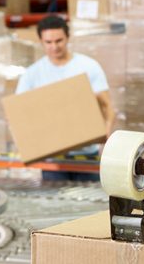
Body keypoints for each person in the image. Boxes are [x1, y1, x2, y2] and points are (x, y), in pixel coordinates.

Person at [16, 14, 115, 182]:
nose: (54, 47)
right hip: (52, 156)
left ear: (68, 38)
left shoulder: (88, 67)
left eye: (59, 41)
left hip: (86, 155)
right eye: (48, 42)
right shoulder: (32, 74)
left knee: (89, 204)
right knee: (57, 204)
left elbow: (107, 106)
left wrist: (107, 132)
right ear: (41, 41)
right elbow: (19, 113)